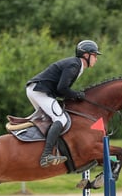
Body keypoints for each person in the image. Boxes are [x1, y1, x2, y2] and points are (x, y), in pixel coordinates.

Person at [26, 39, 102, 168]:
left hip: (38, 90)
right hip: (40, 92)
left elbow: (60, 89)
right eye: (94, 55)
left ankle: (47, 151)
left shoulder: (76, 65)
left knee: (51, 120)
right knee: (60, 118)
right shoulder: (75, 65)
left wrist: (73, 96)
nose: (96, 59)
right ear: (86, 55)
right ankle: (46, 155)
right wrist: (77, 95)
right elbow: (62, 88)